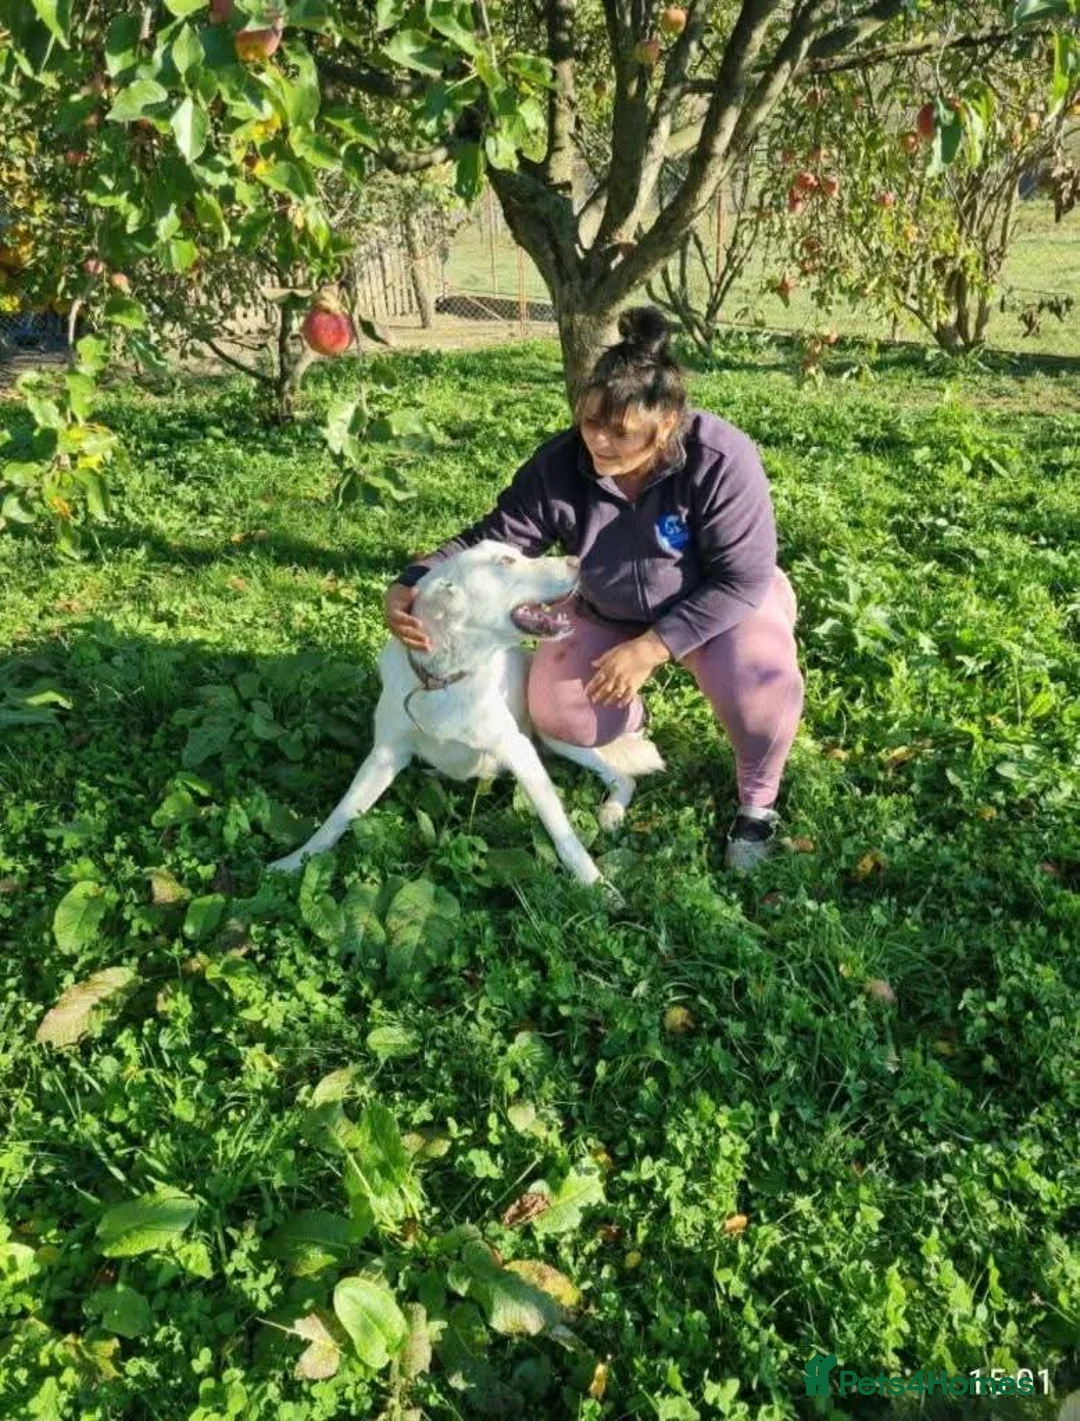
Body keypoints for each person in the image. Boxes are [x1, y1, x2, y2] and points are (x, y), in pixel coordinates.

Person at [383, 306, 805, 871]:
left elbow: (743, 577)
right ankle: (632, 716)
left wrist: (653, 647)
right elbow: (492, 538)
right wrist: (412, 580)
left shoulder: (720, 459)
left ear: (667, 424)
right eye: (589, 423)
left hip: (716, 606)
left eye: (621, 432)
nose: (599, 442)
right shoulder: (561, 465)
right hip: (607, 607)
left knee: (757, 684)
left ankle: (757, 803)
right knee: (559, 715)